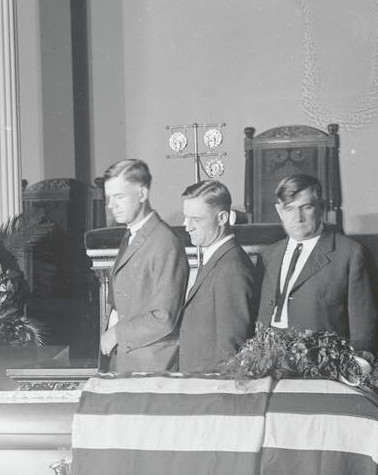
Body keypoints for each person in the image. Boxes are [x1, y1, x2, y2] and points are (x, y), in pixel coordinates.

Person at [256, 174, 378, 353]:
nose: (297, 217)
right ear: (279, 211)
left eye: (306, 207)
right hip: (270, 359)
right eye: (289, 208)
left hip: (322, 365)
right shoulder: (268, 255)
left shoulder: (350, 254)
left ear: (321, 208)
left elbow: (364, 328)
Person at [100, 159, 189, 372]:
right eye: (109, 198)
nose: (112, 205)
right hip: (127, 360)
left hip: (153, 364)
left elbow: (164, 318)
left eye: (119, 197)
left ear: (142, 194)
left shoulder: (165, 241)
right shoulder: (131, 234)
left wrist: (116, 334)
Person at [178, 180, 260, 372]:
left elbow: (231, 349)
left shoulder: (231, 267)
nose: (186, 226)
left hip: (212, 387)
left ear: (222, 218)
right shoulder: (217, 258)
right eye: (186, 217)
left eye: (196, 219)